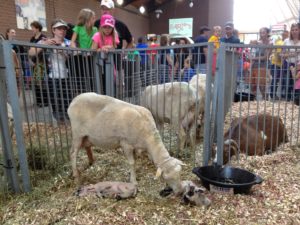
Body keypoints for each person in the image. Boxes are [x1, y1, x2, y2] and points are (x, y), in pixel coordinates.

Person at [28, 19, 71, 123]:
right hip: (51, 78)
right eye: (59, 28)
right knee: (56, 103)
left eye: (64, 28)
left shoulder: (68, 43)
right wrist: (44, 45)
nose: (62, 30)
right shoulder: (45, 41)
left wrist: (64, 53)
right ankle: (61, 125)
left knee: (68, 103)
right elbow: (31, 53)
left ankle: (68, 124)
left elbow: (76, 54)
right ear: (53, 30)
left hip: (67, 77)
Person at [70, 8, 98, 93]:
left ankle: (91, 94)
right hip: (80, 57)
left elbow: (95, 42)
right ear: (87, 18)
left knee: (91, 78)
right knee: (81, 78)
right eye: (93, 18)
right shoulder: (78, 28)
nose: (95, 20)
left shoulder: (95, 29)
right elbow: (72, 42)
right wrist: (77, 50)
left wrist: (90, 52)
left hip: (91, 57)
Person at [91, 14, 119, 94]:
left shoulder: (114, 35)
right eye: (105, 27)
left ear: (112, 28)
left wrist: (109, 47)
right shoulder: (97, 35)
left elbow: (114, 47)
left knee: (111, 88)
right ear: (101, 26)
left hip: (110, 66)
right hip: (99, 66)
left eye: (109, 27)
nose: (107, 29)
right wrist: (101, 49)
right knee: (100, 87)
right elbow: (93, 49)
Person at [247, 27, 272, 99]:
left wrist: (253, 58)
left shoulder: (270, 43)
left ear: (267, 33)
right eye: (260, 32)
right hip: (255, 65)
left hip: (264, 65)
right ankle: (253, 100)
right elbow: (250, 45)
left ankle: (265, 100)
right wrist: (251, 42)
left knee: (262, 85)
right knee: (253, 84)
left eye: (263, 32)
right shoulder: (258, 42)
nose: (261, 34)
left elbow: (266, 57)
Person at [29, 21, 48, 106]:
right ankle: (38, 100)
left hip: (41, 62)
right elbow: (30, 50)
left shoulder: (43, 37)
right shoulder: (32, 39)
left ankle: (44, 101)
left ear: (37, 28)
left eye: (33, 28)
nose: (32, 29)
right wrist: (30, 60)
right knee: (36, 81)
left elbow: (44, 50)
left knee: (41, 81)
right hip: (34, 62)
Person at [281, 23, 300, 101]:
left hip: (299, 64)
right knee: (287, 83)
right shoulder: (286, 41)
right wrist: (292, 54)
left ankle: (296, 100)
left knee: (297, 83)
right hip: (288, 64)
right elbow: (281, 54)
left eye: (296, 30)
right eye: (292, 30)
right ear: (290, 31)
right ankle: (288, 100)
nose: (294, 31)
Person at [269, 31, 288, 100]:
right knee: (275, 80)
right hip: (278, 64)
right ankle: (273, 94)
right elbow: (279, 54)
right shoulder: (281, 43)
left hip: (274, 63)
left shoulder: (277, 42)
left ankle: (272, 94)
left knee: (275, 79)